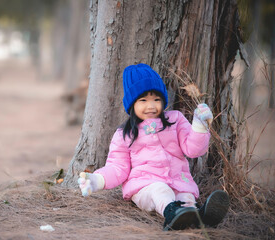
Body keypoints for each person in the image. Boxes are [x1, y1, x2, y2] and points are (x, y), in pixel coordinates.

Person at [78, 63, 229, 231]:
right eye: (143, 100)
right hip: (145, 186)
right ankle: (172, 213)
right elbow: (117, 167)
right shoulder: (124, 134)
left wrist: (199, 127)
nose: (151, 106)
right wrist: (98, 180)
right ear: (132, 104)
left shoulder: (175, 120)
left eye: (156, 99)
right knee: (160, 190)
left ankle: (197, 215)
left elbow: (193, 150)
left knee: (186, 195)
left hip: (178, 181)